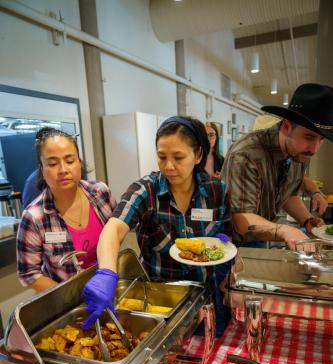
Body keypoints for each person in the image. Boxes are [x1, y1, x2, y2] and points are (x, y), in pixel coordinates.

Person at [83, 116, 230, 334]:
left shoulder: (217, 191)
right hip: (160, 300)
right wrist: (106, 272)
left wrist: (225, 247)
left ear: (198, 154)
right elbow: (113, 229)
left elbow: (225, 231)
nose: (169, 166)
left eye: (178, 157)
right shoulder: (146, 190)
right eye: (162, 157)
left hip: (205, 297)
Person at [221, 83, 333, 250]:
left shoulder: (299, 151)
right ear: (287, 126)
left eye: (321, 140)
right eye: (309, 137)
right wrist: (285, 231)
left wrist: (307, 221)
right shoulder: (247, 154)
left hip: (264, 235)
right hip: (233, 244)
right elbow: (241, 221)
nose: (314, 149)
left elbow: (287, 195)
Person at [17, 127, 116, 292]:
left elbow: (116, 235)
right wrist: (72, 295)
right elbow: (28, 274)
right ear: (42, 169)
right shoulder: (34, 217)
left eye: (70, 161)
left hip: (110, 285)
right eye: (53, 163)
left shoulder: (100, 192)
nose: (63, 170)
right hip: (70, 302)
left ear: (79, 162)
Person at [252, 114, 328, 216]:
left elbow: (297, 183)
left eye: (321, 139)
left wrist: (315, 193)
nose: (314, 149)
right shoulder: (251, 157)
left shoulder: (294, 152)